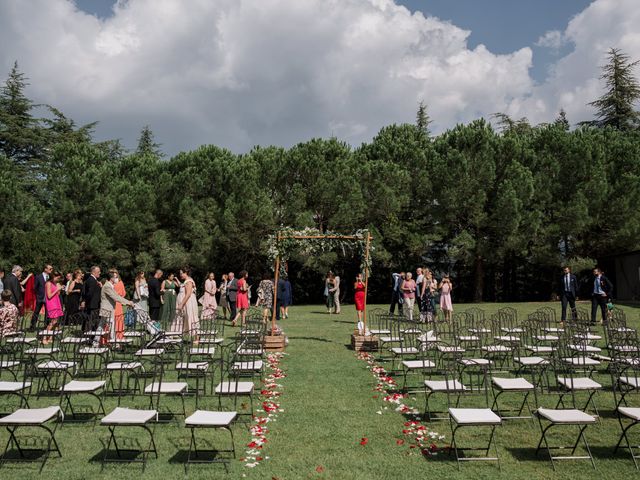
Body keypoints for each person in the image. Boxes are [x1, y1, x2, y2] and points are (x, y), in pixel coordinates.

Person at [100, 271, 134, 343]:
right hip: (107, 310)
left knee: (101, 327)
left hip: (108, 309)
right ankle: (115, 344)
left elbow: (118, 296)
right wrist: (128, 302)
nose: (117, 279)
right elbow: (116, 297)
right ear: (111, 278)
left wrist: (128, 302)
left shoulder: (110, 286)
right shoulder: (107, 286)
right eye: (115, 277)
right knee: (111, 327)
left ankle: (95, 343)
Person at [173, 267, 199, 335]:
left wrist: (181, 304)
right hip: (187, 302)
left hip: (189, 302)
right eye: (180, 273)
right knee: (185, 317)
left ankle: (196, 336)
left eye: (182, 273)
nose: (180, 275)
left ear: (186, 273)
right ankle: (178, 333)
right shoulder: (186, 281)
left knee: (192, 317)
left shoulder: (189, 281)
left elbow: (188, 294)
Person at [42, 271, 64, 343]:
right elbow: (49, 296)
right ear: (53, 276)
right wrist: (57, 289)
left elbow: (57, 294)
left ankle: (50, 337)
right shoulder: (48, 283)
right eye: (57, 278)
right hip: (51, 304)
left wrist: (59, 289)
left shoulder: (54, 283)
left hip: (57, 303)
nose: (58, 279)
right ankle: (44, 338)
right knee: (52, 322)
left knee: (56, 322)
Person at [31, 264, 52, 330]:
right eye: (50, 269)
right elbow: (35, 287)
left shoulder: (51, 277)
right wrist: (38, 295)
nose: (51, 270)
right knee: (36, 312)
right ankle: (32, 326)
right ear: (45, 269)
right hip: (40, 297)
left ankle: (46, 326)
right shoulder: (38, 277)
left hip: (48, 298)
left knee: (47, 313)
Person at [82, 266, 102, 330]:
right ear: (93, 272)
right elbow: (89, 293)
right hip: (93, 305)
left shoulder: (93, 280)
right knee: (91, 321)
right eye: (98, 272)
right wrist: (86, 301)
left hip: (93, 304)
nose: (100, 273)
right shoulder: (92, 280)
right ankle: (89, 336)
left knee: (92, 320)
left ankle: (90, 334)